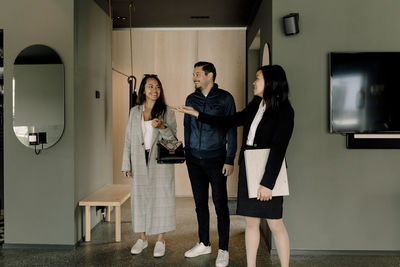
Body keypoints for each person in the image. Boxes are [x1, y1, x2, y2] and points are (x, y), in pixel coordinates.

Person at [174, 65, 294, 267]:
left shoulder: (284, 111)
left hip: (268, 173)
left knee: (275, 224)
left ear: (271, 82)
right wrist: (198, 114)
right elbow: (231, 120)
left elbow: (278, 150)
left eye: (258, 78)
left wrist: (267, 184)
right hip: (249, 167)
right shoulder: (256, 103)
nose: (254, 83)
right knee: (251, 222)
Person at [183, 61, 237, 267]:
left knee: (221, 205)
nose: (194, 77)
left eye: (197, 74)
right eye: (194, 74)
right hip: (194, 160)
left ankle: (223, 249)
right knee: (199, 204)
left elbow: (231, 130)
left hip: (216, 159)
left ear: (210, 75)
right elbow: (187, 126)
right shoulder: (191, 98)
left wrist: (229, 158)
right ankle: (204, 243)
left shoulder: (225, 98)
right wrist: (188, 152)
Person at [121, 74, 177, 258]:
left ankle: (160, 239)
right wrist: (126, 163)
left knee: (162, 198)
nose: (155, 90)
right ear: (143, 90)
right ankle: (142, 238)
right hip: (138, 159)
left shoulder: (167, 112)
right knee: (140, 198)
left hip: (159, 161)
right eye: (151, 86)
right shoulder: (134, 112)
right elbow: (129, 139)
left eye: (158, 87)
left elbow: (173, 140)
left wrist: (162, 127)